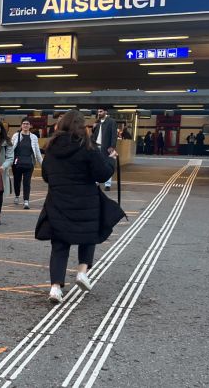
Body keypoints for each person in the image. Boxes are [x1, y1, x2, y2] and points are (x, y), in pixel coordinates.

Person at [36, 110, 123, 303]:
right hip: (85, 202)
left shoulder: (51, 148)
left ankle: (55, 288)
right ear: (80, 126)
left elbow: (45, 176)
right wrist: (112, 159)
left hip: (58, 202)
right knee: (89, 235)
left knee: (59, 245)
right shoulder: (87, 147)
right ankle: (82, 272)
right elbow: (102, 174)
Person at [11, 119, 44, 209]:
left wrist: (42, 164)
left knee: (27, 182)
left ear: (30, 126)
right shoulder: (16, 136)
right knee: (17, 181)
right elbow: (10, 149)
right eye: (24, 124)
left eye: (27, 124)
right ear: (21, 125)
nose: (25, 125)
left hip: (29, 163)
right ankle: (17, 196)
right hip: (17, 163)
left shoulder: (34, 137)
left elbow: (37, 151)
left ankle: (26, 201)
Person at [90, 107, 118, 191]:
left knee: (107, 164)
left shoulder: (111, 122)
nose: (99, 113)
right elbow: (94, 135)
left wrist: (112, 146)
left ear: (105, 112)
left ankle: (107, 184)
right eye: (98, 111)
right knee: (95, 164)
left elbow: (114, 135)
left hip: (106, 147)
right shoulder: (97, 122)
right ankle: (96, 182)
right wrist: (93, 128)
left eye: (101, 111)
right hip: (96, 146)